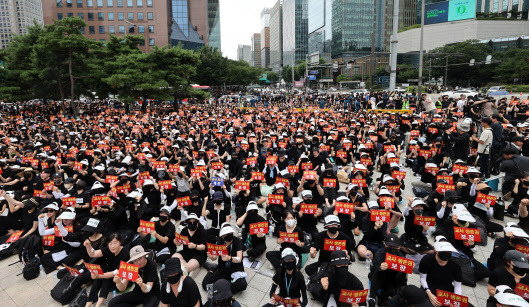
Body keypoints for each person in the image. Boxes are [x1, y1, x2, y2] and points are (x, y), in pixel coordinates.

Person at [84, 232, 130, 307]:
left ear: (120, 242)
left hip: (121, 279)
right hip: (111, 274)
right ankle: (89, 303)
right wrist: (88, 246)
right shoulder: (109, 249)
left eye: (115, 243)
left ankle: (98, 304)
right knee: (104, 275)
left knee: (106, 277)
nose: (113, 246)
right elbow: (93, 254)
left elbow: (116, 272)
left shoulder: (125, 252)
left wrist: (98, 276)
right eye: (110, 243)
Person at [202, 223, 247, 294]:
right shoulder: (220, 241)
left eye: (229, 233)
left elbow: (239, 259)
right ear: (222, 236)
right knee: (205, 284)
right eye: (225, 234)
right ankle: (212, 269)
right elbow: (215, 257)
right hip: (222, 268)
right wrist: (211, 256)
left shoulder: (237, 241)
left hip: (235, 268)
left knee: (242, 284)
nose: (228, 235)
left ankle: (221, 291)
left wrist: (229, 258)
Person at [419, 236, 463, 307]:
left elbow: (457, 285)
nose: (446, 253)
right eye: (443, 251)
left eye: (448, 251)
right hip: (429, 287)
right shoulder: (426, 259)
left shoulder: (455, 265)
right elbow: (422, 278)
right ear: (436, 250)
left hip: (446, 291)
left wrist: (455, 300)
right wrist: (429, 294)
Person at [368, 234, 409, 306]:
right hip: (380, 277)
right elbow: (375, 269)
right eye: (389, 246)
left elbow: (402, 279)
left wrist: (407, 268)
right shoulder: (379, 254)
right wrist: (380, 267)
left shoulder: (402, 258)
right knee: (376, 274)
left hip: (393, 279)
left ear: (399, 247)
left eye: (394, 246)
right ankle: (372, 296)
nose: (392, 248)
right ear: (385, 245)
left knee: (388, 299)